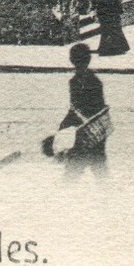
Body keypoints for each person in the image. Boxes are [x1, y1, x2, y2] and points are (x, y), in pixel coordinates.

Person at [42, 43, 111, 181]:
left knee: (72, 173)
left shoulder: (75, 82)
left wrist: (61, 130)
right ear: (88, 59)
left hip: (85, 134)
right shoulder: (95, 80)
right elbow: (97, 106)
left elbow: (76, 111)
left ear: (72, 60)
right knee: (99, 170)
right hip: (98, 131)